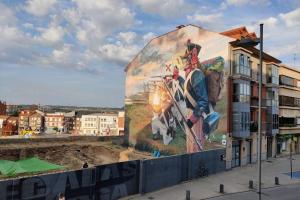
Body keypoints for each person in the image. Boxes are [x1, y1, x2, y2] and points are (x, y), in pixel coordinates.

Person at [182, 40, 209, 153]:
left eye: (186, 60)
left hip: (196, 117)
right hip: (191, 115)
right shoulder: (190, 76)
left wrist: (191, 120)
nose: (184, 65)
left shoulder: (197, 74)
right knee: (190, 146)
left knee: (195, 148)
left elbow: (203, 101)